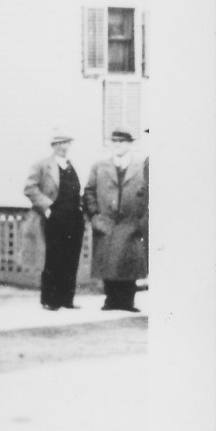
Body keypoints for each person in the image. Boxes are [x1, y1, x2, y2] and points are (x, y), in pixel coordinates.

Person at [86, 129, 148, 312]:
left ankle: (128, 302)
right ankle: (111, 300)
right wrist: (95, 215)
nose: (118, 145)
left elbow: (150, 192)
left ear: (129, 144)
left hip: (131, 222)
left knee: (129, 263)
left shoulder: (141, 166)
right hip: (107, 222)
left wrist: (142, 220)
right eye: (114, 142)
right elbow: (89, 192)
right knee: (109, 263)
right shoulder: (100, 166)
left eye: (122, 142)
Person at [22, 133, 85, 310]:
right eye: (59, 143)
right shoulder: (42, 165)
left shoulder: (71, 165)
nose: (63, 147)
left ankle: (67, 299)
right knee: (53, 257)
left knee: (71, 258)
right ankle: (50, 300)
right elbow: (29, 188)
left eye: (66, 143)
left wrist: (80, 208)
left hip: (73, 217)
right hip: (54, 217)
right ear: (53, 146)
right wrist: (47, 207)